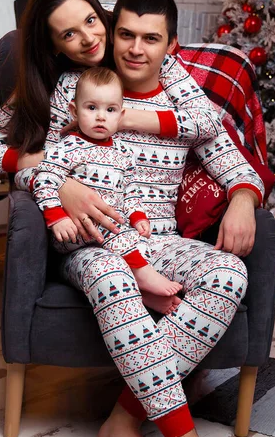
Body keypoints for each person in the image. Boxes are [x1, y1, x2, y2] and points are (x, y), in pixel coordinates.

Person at [0, 0, 264, 437]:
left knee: (227, 272)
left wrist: (242, 197)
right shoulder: (74, 90)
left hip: (159, 238)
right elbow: (0, 152)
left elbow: (218, 140)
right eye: (124, 34)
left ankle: (124, 423)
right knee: (112, 276)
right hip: (91, 241)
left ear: (167, 45)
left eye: (93, 23)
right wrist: (56, 183)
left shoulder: (174, 85)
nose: (125, 46)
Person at [33, 65, 182, 307]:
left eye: (110, 109)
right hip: (74, 230)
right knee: (116, 231)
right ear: (74, 111)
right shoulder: (69, 146)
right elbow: (44, 178)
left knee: (139, 241)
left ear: (120, 116)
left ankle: (142, 294)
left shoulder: (122, 153)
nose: (101, 116)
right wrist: (57, 217)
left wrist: (138, 216)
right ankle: (144, 275)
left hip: (109, 233)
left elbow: (130, 191)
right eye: (91, 108)